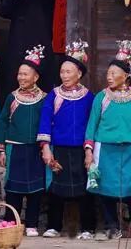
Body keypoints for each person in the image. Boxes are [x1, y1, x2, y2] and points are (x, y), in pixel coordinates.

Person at [37, 40, 96, 239]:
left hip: (80, 149)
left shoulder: (89, 97)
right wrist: (46, 148)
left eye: (69, 71)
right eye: (62, 71)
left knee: (85, 188)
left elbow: (92, 124)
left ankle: (88, 228)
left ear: (79, 73)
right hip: (59, 148)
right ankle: (54, 226)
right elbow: (45, 121)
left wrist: (89, 149)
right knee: (56, 188)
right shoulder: (53, 95)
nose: (64, 75)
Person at [0, 46, 47, 237]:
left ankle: (31, 224)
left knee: (36, 188)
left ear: (35, 77)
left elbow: (47, 125)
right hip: (14, 148)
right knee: (13, 187)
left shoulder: (44, 99)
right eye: (19, 74)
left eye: (26, 74)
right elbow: (3, 123)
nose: (21, 78)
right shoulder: (12, 98)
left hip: (35, 150)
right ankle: (10, 222)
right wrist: (1, 150)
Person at [84, 40, 131, 241]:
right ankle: (112, 226)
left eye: (114, 74)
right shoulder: (101, 98)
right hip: (105, 150)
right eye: (108, 74)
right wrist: (88, 152)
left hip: (129, 150)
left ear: (126, 76)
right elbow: (91, 126)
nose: (109, 77)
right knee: (105, 189)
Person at [0, 0, 56, 93]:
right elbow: (2, 11)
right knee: (15, 91)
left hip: (40, 53)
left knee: (41, 92)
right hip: (17, 54)